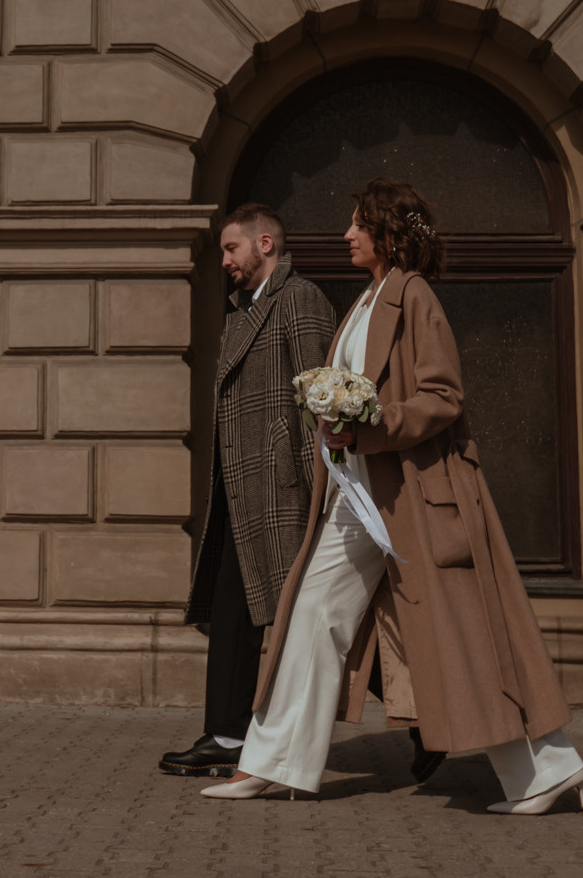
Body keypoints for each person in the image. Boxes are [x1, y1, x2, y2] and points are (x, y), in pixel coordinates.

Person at [201, 179, 583, 815]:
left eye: (357, 225)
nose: (346, 235)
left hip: (415, 497)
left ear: (385, 233)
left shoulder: (414, 296)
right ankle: (275, 763)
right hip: (358, 496)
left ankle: (549, 768)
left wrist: (372, 424)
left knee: (466, 635)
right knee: (312, 616)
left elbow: (443, 397)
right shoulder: (366, 300)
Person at [160, 203, 336, 778]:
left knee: (323, 615)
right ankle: (227, 734)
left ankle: (425, 715)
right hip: (243, 490)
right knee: (235, 609)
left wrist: (320, 492)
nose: (226, 261)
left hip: (285, 489)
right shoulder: (243, 311)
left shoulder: (300, 298)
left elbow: (321, 397)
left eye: (232, 249)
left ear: (265, 243)